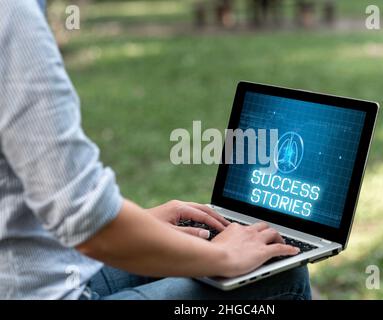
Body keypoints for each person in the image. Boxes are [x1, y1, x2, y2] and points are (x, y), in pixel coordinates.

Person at [0, 0, 311, 300]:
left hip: (43, 268)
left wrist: (143, 226)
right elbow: (85, 218)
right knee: (283, 277)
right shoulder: (14, 16)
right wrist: (222, 255)